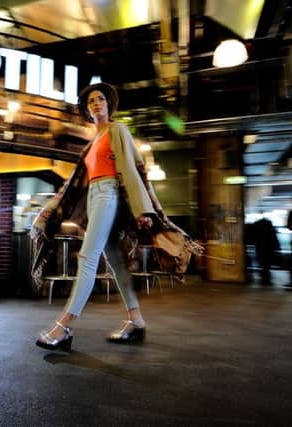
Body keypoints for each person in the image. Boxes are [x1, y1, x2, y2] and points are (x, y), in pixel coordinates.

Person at [30, 82, 194, 351]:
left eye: (101, 99)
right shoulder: (92, 142)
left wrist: (142, 210)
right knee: (115, 261)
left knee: (87, 256)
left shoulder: (118, 130)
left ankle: (64, 326)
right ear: (87, 109)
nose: (97, 103)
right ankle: (136, 320)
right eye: (91, 101)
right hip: (95, 196)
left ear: (109, 104)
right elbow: (77, 183)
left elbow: (131, 168)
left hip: (108, 194)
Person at [252, 213, 280, 285]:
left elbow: (253, 237)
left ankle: (263, 279)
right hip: (268, 247)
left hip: (260, 247)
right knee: (267, 264)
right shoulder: (269, 224)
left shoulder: (256, 225)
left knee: (262, 263)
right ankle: (266, 279)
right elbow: (273, 236)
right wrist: (277, 247)